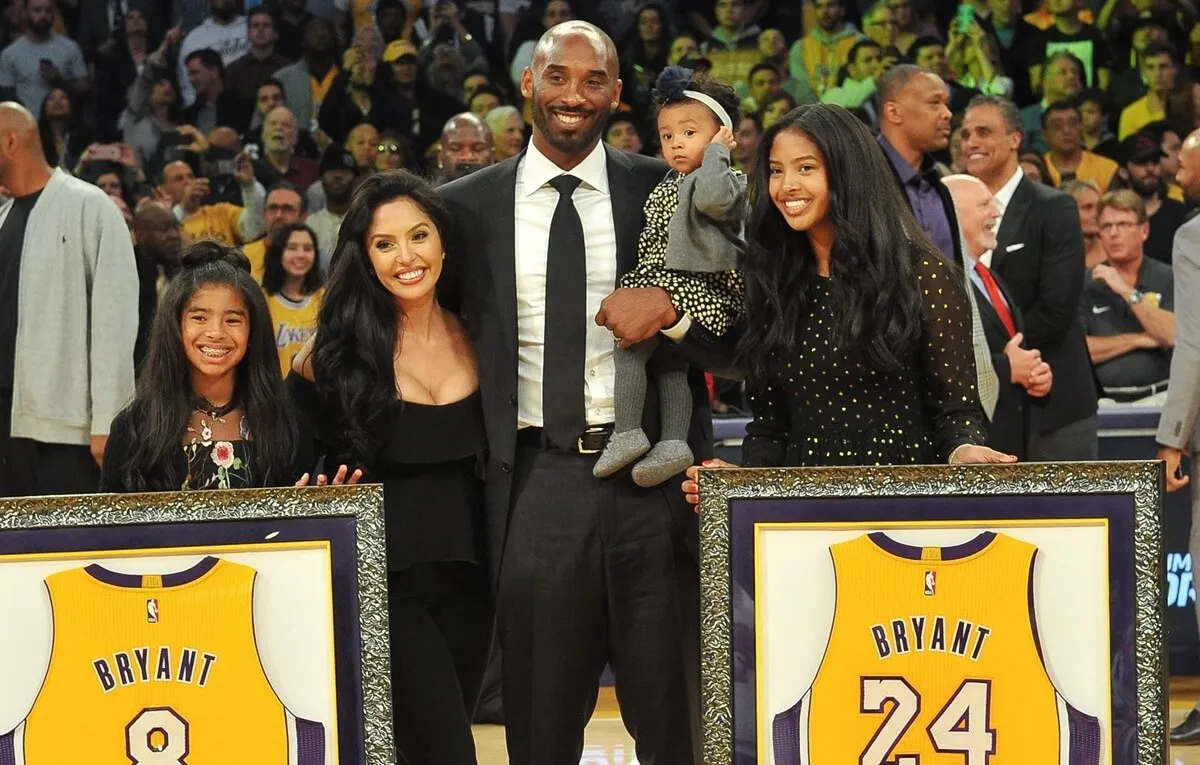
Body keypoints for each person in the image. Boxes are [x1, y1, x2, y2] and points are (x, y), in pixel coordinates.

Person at [440, 20, 726, 764]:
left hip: (656, 480)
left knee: (678, 724)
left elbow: (738, 331)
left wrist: (673, 312)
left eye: (593, 79)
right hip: (537, 479)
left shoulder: (665, 188)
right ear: (529, 84)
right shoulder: (465, 208)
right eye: (558, 77)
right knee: (539, 726)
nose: (574, 95)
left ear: (617, 94)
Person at [289, 171, 490, 764]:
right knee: (448, 753)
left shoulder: (485, 338)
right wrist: (317, 492)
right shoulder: (330, 358)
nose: (406, 257)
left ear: (443, 243)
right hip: (385, 588)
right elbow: (286, 474)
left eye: (419, 236)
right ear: (365, 257)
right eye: (385, 244)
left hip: (476, 583)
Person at [595, 67, 746, 486]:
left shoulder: (721, 179)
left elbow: (716, 203)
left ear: (721, 134)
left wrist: (718, 153)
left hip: (698, 286)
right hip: (670, 282)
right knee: (668, 361)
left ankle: (627, 431)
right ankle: (675, 442)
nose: (676, 143)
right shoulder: (672, 179)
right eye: (667, 136)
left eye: (690, 133)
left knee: (632, 342)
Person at [0, 102, 137, 497]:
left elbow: (115, 322)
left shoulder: (90, 206)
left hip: (67, 429)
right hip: (8, 423)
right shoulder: (4, 217)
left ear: (11, 141)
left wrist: (109, 422)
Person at [101, 244, 305, 492]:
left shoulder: (284, 422)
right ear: (175, 327)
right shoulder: (135, 428)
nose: (216, 333)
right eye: (199, 318)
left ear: (253, 331)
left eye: (232, 320)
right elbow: (109, 528)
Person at [961, 95, 1099, 461]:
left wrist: (1000, 359)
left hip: (1053, 406)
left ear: (1015, 140)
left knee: (1064, 517)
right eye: (965, 134)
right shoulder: (950, 212)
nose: (971, 142)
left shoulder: (1053, 208)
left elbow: (1057, 309)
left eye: (984, 132)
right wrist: (994, 367)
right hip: (990, 407)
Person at [945, 173, 1052, 460]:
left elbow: (1013, 346)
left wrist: (1033, 373)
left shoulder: (989, 277)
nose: (997, 212)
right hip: (973, 449)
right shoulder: (940, 284)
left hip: (1013, 443)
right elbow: (943, 367)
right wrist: (1006, 368)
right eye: (984, 205)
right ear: (952, 215)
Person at [1159, 127, 1200, 746]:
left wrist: (1173, 433)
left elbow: (1194, 344)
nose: (1180, 176)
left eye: (1189, 167)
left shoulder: (1193, 236)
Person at [1083, 190, 1175, 405]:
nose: (1114, 233)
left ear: (1144, 230)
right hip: (1105, 402)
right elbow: (1080, 350)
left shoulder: (1168, 276)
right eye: (1106, 227)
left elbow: (1171, 335)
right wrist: (1139, 339)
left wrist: (1125, 290)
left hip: (1163, 397)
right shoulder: (1084, 284)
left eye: (1123, 225)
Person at [262, 223, 323, 376]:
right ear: (278, 252)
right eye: (292, 247)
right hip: (273, 393)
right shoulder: (262, 300)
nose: (301, 254)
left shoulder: (326, 299)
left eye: (308, 249)